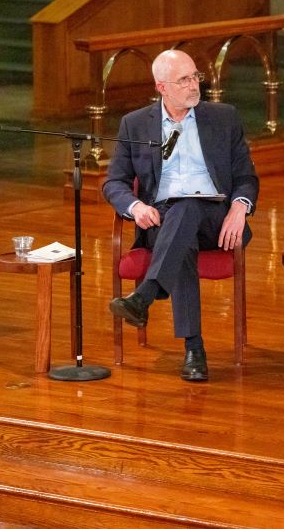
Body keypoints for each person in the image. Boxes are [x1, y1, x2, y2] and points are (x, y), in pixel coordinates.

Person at [103, 49, 259, 382]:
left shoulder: (223, 117)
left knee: (187, 208)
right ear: (162, 87)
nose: (193, 86)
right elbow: (114, 182)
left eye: (195, 77)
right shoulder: (135, 123)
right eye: (183, 80)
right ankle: (193, 349)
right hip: (160, 219)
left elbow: (246, 176)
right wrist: (136, 207)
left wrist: (239, 206)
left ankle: (146, 297)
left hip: (218, 217)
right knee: (180, 225)